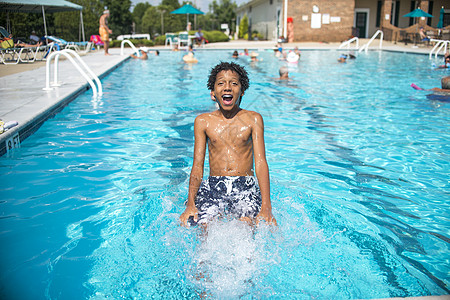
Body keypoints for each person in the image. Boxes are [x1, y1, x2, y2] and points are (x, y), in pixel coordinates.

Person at [179, 62, 276, 227]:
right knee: (202, 224)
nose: (227, 87)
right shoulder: (203, 122)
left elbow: (260, 163)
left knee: (247, 224)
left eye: (234, 83)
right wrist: (190, 203)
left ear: (242, 91)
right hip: (214, 185)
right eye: (221, 83)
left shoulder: (254, 119)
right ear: (213, 93)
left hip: (245, 185)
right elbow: (197, 165)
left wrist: (266, 205)